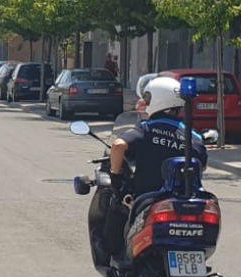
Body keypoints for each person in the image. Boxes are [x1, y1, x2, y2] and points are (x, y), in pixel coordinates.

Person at [88, 77, 209, 267]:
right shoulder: (194, 137)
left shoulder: (148, 128)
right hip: (185, 201)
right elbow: (201, 165)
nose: (145, 102)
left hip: (148, 197)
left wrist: (115, 176)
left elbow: (118, 146)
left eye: (147, 98)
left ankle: (111, 253)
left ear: (158, 100)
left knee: (118, 204)